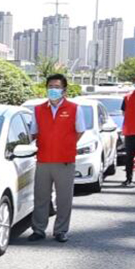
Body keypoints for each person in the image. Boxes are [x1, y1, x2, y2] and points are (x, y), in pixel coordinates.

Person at [27, 73, 86, 243]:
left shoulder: (74, 108)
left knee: (64, 198)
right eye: (50, 87)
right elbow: (33, 133)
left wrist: (65, 145)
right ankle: (38, 229)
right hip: (43, 160)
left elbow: (80, 131)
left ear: (64, 90)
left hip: (64, 161)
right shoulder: (38, 109)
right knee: (41, 197)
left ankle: (61, 230)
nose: (53, 90)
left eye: (57, 87)